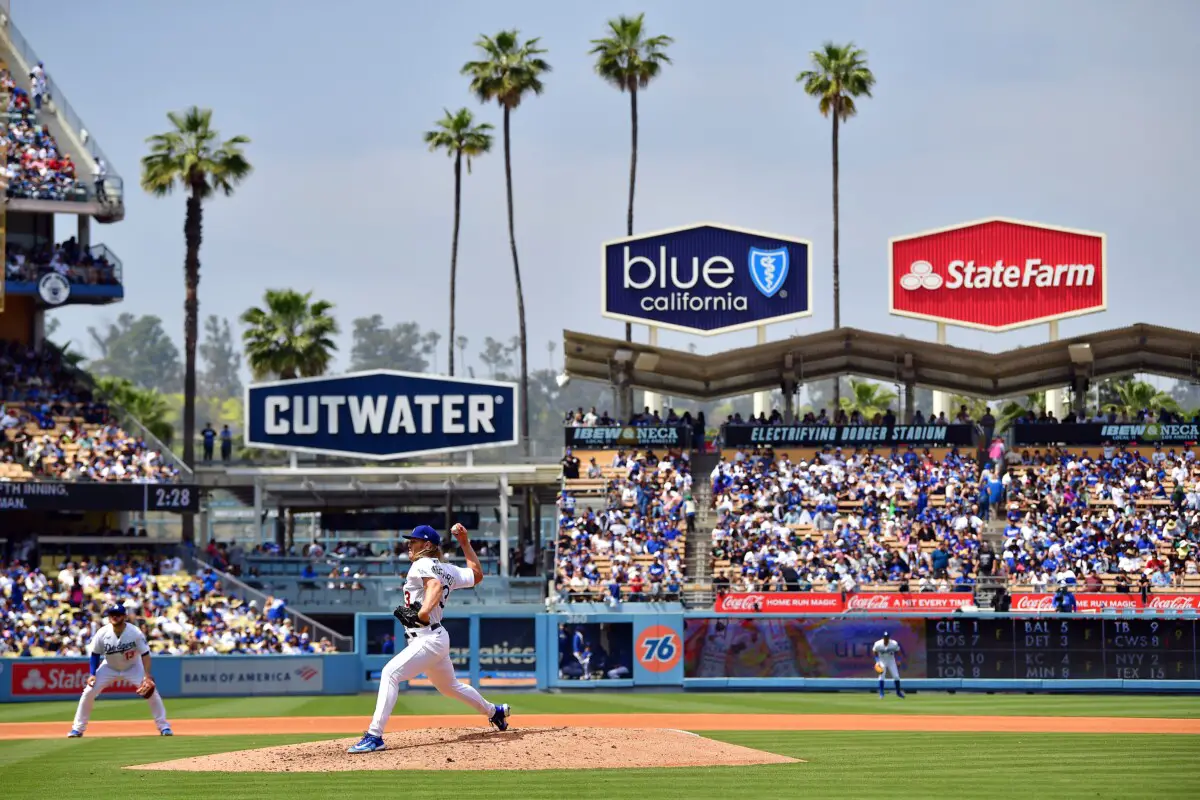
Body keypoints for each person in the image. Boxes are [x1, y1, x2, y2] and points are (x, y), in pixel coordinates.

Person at [348, 524, 510, 753]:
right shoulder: (448, 569)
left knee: (390, 674)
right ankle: (495, 711)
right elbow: (477, 575)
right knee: (450, 687)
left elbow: (433, 585)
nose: (409, 544)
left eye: (413, 541)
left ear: (427, 545)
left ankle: (375, 736)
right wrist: (465, 543)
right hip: (435, 637)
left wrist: (423, 613)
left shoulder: (421, 563)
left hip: (427, 636)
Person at [68, 605, 172, 737]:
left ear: (124, 616)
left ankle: (164, 727)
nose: (114, 617)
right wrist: (92, 674)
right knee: (88, 692)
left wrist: (147, 675)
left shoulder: (135, 632)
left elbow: (145, 654)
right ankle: (77, 729)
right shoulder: (102, 632)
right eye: (112, 614)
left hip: (133, 667)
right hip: (109, 667)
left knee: (152, 693)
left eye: (118, 614)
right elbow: (95, 654)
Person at [872, 630, 905, 699]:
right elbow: (874, 651)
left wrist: (898, 660)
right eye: (885, 637)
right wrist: (877, 662)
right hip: (882, 660)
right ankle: (881, 693)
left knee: (896, 676)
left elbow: (898, 652)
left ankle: (898, 692)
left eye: (887, 637)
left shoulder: (893, 643)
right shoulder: (878, 644)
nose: (886, 639)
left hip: (891, 661)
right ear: (883, 637)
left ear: (889, 638)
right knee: (882, 676)